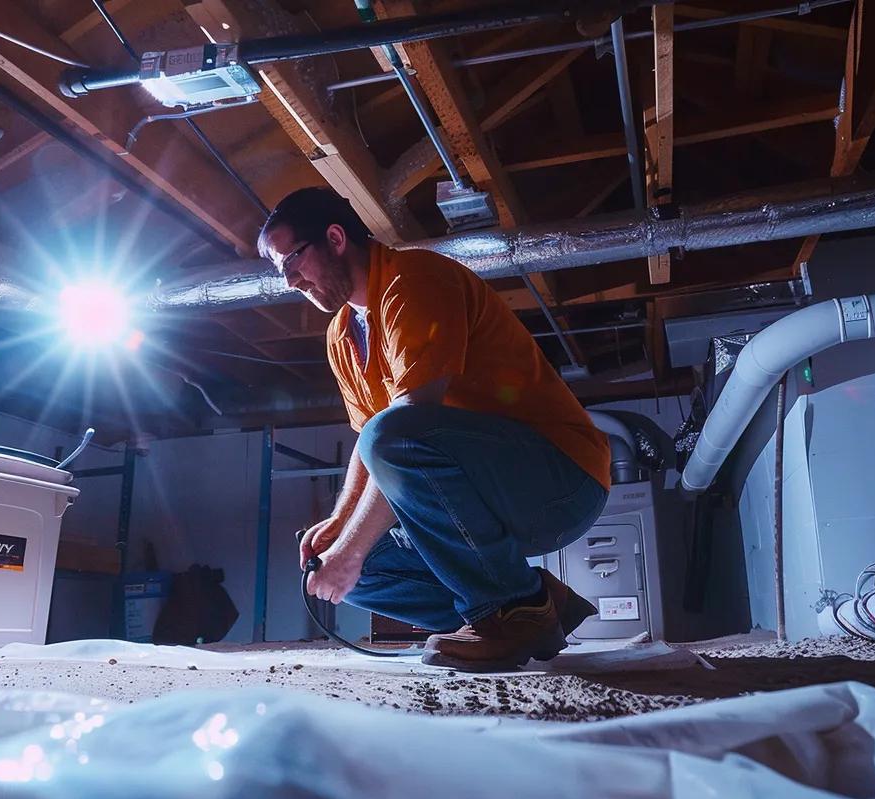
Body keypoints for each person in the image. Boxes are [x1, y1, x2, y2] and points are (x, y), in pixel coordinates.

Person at [259, 187, 612, 671]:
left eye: (291, 263)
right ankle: (531, 603)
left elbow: (400, 432)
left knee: (392, 442)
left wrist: (352, 546)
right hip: (479, 499)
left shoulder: (414, 281)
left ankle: (509, 611)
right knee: (360, 570)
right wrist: (341, 531)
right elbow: (369, 444)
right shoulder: (341, 334)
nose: (290, 280)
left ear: (335, 238)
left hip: (559, 483)